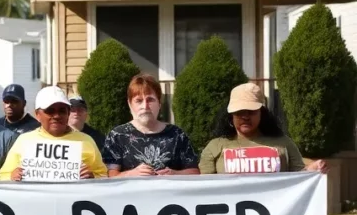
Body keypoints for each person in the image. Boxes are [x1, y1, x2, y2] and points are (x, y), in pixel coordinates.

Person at [199, 82, 327, 174]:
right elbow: (204, 187)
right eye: (239, 112)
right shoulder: (215, 146)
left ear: (262, 113)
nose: (245, 117)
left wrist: (313, 169)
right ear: (230, 115)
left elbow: (299, 179)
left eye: (251, 111)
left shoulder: (284, 143)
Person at [0, 85, 107, 181]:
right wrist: (12, 176)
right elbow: (1, 178)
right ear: (37, 115)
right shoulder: (24, 141)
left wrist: (93, 177)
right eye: (50, 111)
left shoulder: (86, 141)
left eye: (62, 111)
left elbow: (104, 177)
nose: (57, 116)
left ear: (68, 113)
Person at [103, 75, 200, 177]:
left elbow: (194, 172)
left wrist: (175, 173)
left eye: (150, 100)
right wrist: (131, 174)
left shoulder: (176, 135)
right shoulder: (118, 136)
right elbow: (109, 176)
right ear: (130, 104)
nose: (145, 106)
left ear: (159, 103)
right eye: (139, 101)